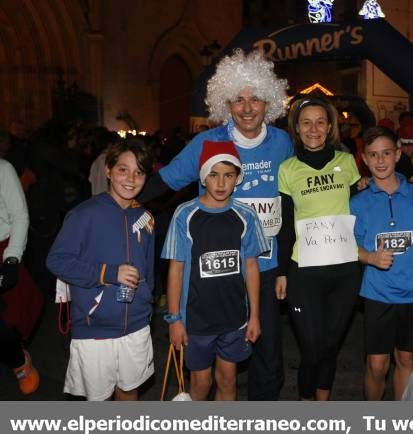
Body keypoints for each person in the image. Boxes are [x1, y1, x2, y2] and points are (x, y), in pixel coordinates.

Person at [138, 49, 291, 400]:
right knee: (215, 367)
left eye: (255, 99)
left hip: (263, 266)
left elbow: (296, 196)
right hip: (214, 274)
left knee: (268, 358)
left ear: (269, 102)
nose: (247, 107)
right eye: (238, 99)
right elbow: (167, 181)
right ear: (226, 104)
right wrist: (127, 202)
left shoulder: (283, 143)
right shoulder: (207, 143)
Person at [46, 138, 155, 401]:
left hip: (137, 325)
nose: (131, 178)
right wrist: (108, 273)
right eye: (123, 169)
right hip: (96, 329)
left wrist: (146, 301)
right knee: (99, 401)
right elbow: (57, 260)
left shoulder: (146, 218)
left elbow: (149, 269)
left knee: (129, 393)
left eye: (139, 172)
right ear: (108, 170)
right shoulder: (84, 214)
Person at [163, 141, 268, 400]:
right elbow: (175, 270)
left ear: (237, 178)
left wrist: (254, 316)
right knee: (200, 384)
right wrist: (174, 319)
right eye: (213, 175)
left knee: (228, 381)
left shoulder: (246, 215)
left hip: (234, 318)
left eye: (228, 175)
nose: (221, 183)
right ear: (203, 177)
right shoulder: (184, 214)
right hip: (196, 320)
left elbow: (252, 266)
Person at [276, 96, 361, 400]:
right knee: (312, 344)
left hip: (345, 270)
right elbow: (285, 227)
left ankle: (321, 405)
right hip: (304, 270)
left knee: (331, 342)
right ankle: (304, 401)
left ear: (330, 127)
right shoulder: (287, 169)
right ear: (297, 129)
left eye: (320, 122)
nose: (314, 129)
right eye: (306, 122)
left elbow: (361, 211)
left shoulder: (348, 163)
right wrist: (282, 272)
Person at [350, 126, 413, 400]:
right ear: (364, 158)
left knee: (407, 358)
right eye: (373, 154)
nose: (380, 160)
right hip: (377, 293)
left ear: (398, 154)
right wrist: (370, 257)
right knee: (377, 365)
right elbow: (348, 247)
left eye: (386, 153)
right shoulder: (358, 202)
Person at [0, 146, 39, 395]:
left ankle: (18, 361)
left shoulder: (3, 170)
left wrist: (11, 259)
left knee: (5, 322)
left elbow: (20, 216)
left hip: (2, 250)